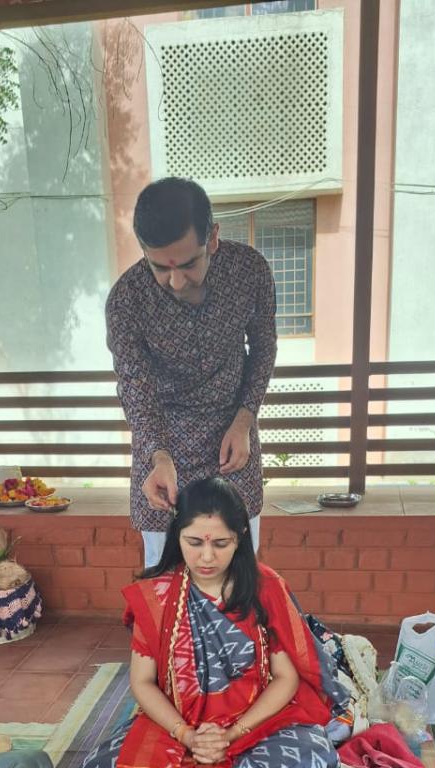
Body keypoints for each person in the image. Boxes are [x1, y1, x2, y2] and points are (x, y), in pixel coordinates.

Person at [79, 477, 348, 768]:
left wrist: (232, 734)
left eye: (220, 544)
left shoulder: (265, 588)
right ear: (177, 536)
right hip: (177, 724)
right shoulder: (157, 595)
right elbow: (142, 682)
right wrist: (189, 737)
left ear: (240, 539)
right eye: (194, 542)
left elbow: (285, 677)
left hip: (257, 723)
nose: (207, 557)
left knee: (313, 759)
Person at [106, 177, 277, 567]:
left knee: (237, 573)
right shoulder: (126, 300)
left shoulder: (248, 270)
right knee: (165, 578)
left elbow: (263, 348)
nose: (176, 281)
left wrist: (245, 420)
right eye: (159, 268)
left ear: (212, 237)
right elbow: (135, 388)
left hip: (232, 445)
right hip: (162, 454)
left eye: (188, 264)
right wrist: (157, 456)